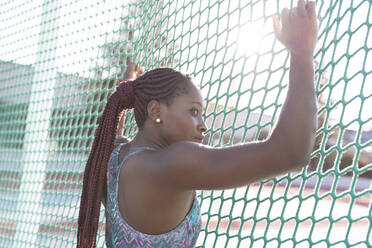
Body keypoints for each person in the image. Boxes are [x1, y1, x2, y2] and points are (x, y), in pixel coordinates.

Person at [76, 0, 318, 247]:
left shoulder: (112, 155)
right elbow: (290, 153)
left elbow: (113, 129)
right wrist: (301, 52)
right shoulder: (175, 163)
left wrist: (128, 89)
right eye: (194, 111)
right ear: (156, 111)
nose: (203, 125)